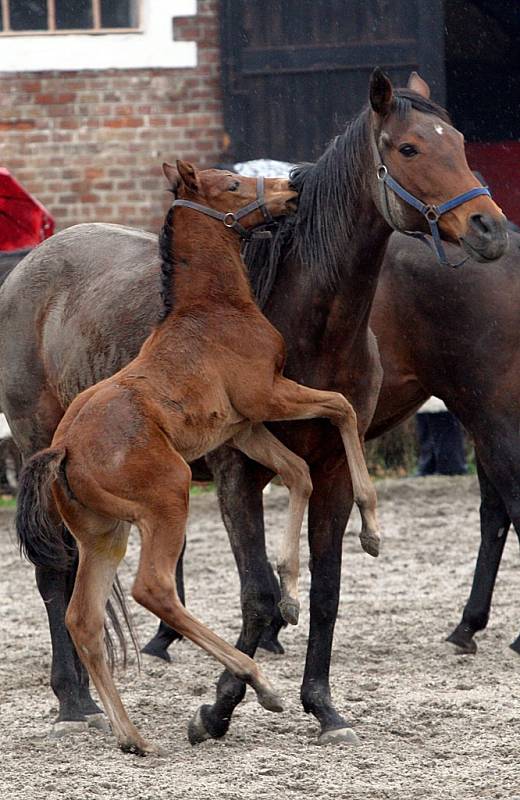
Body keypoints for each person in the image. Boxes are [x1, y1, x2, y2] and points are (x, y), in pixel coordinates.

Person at [415, 396, 467, 476]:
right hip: (424, 400)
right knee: (428, 435)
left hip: (440, 400)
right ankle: (429, 466)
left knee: (446, 435)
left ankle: (451, 467)